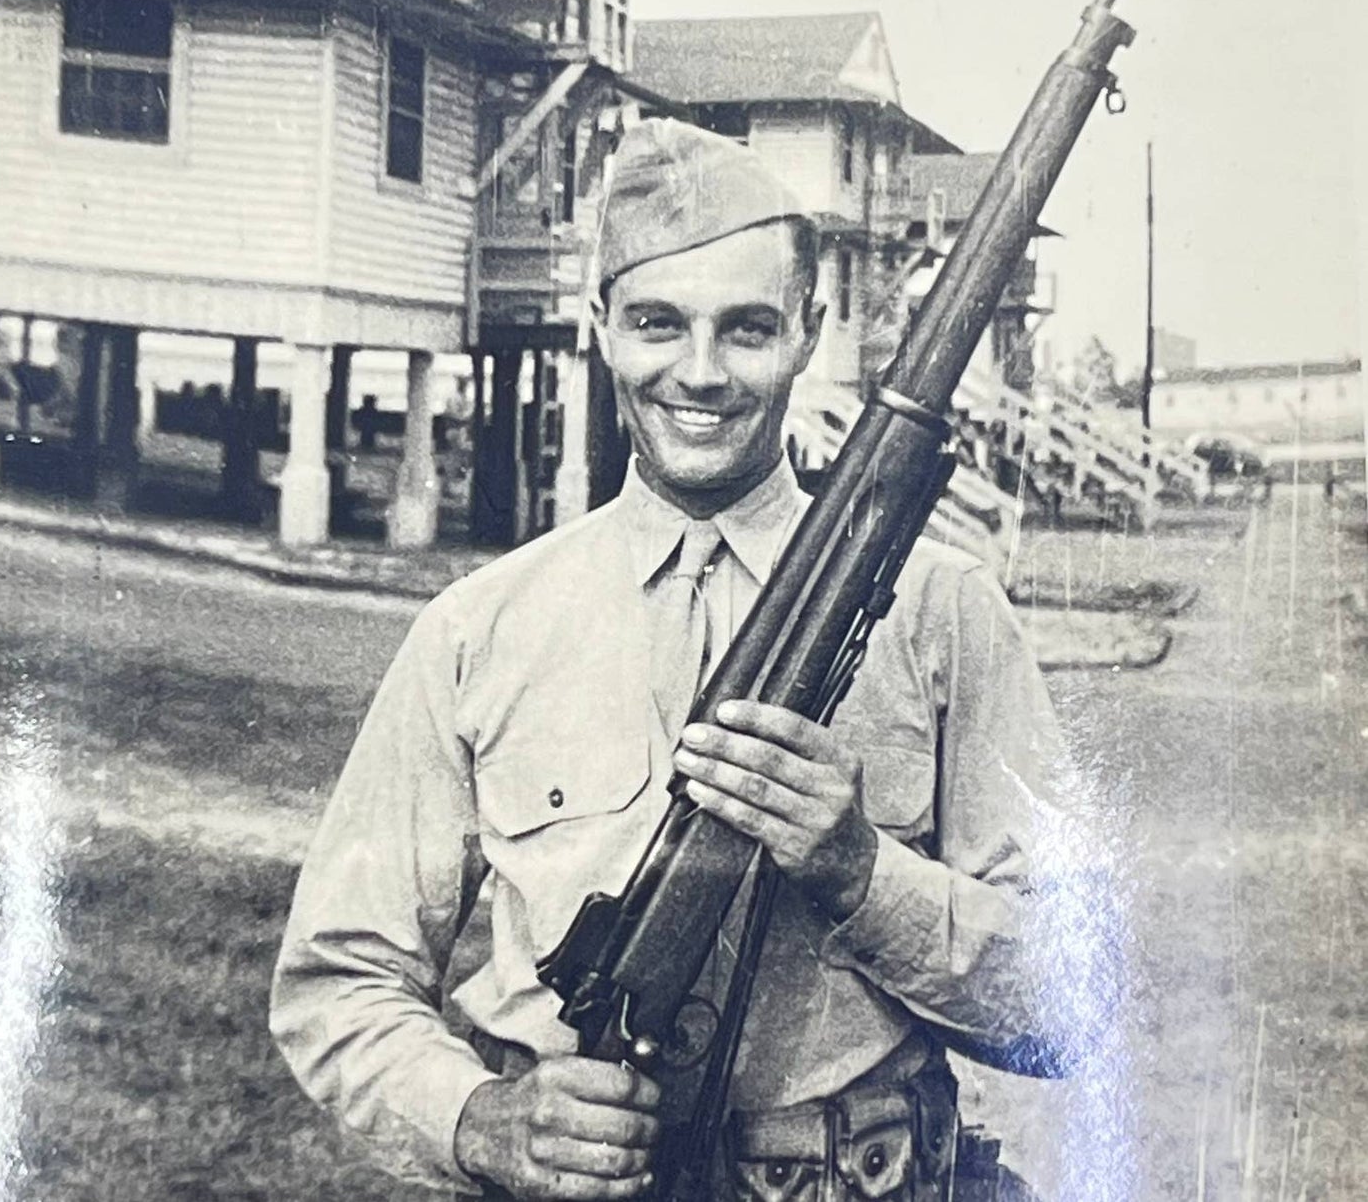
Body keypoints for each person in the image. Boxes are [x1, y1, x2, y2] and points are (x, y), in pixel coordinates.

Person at [271, 119, 1100, 1202]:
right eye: (658, 323)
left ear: (808, 331)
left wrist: (859, 868)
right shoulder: (480, 626)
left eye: (747, 328)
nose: (698, 374)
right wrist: (480, 1118)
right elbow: (340, 977)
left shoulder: (943, 614)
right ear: (599, 326)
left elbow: (1069, 1003)